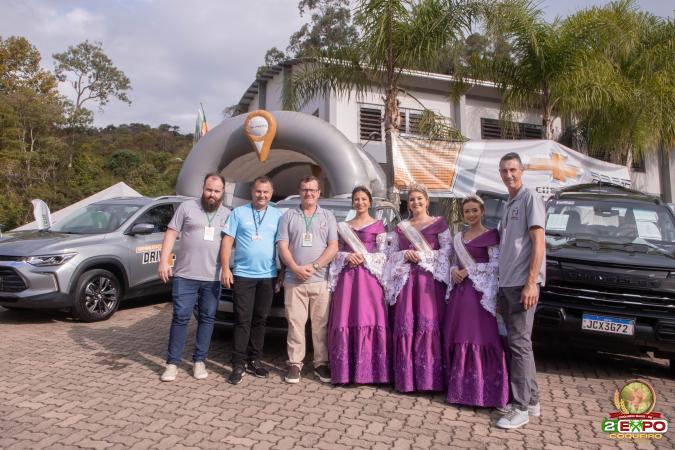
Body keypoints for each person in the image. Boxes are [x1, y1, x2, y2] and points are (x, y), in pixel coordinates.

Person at [158, 173, 230, 382]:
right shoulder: (187, 207)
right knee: (180, 317)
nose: (212, 194)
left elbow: (231, 243)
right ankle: (172, 363)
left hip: (212, 277)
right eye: (209, 190)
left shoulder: (228, 214)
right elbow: (171, 233)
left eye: (216, 191)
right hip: (185, 275)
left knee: (207, 318)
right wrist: (164, 261)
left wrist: (227, 268)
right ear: (203, 188)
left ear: (222, 192)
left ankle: (199, 361)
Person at [383, 183, 452, 393]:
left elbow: (447, 252)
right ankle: (407, 380)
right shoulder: (401, 227)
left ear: (427, 201)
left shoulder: (439, 224)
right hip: (406, 283)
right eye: (412, 199)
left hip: (429, 284)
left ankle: (429, 380)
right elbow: (391, 254)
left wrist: (422, 256)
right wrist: (404, 254)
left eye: (419, 198)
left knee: (428, 324)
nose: (416, 202)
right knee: (407, 324)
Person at [495, 152, 546, 429]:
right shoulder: (508, 203)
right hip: (507, 284)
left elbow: (538, 243)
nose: (509, 175)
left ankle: (520, 407)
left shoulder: (529, 198)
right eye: (504, 171)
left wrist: (531, 282)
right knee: (520, 343)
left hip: (522, 285)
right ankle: (532, 401)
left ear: (522, 170)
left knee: (519, 345)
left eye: (513, 170)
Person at [443, 195, 509, 408]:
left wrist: (470, 270)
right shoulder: (459, 237)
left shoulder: (491, 236)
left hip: (479, 296)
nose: (470, 214)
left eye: (474, 210)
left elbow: (496, 265)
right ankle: (459, 390)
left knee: (478, 336)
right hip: (459, 294)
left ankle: (484, 392)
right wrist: (454, 270)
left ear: (482, 211)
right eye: (467, 211)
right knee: (459, 334)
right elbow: (453, 261)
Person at [220, 176, 283, 385]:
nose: (262, 195)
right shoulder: (238, 213)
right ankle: (238, 363)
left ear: (271, 194)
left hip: (268, 276)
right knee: (242, 320)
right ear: (252, 192)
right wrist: (225, 269)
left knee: (260, 320)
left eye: (266, 192)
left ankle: (255, 360)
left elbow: (282, 245)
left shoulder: (278, 215)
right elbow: (227, 241)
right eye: (258, 191)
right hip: (243, 275)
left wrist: (282, 273)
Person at [277, 175, 338, 384]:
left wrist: (315, 266)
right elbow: (282, 246)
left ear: (319, 193)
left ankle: (321, 363)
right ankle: (295, 363)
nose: (308, 193)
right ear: (299, 192)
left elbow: (333, 246)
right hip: (294, 280)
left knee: (320, 325)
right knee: (295, 324)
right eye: (305, 189)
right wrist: (295, 268)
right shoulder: (288, 216)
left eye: (312, 190)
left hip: (321, 280)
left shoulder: (328, 216)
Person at [326, 186, 390, 384]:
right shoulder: (342, 226)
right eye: (356, 199)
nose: (360, 202)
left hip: (369, 280)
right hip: (347, 280)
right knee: (345, 317)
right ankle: (344, 372)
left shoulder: (378, 226)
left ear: (370, 202)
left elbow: (384, 254)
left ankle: (371, 372)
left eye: (363, 199)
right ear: (352, 202)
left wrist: (365, 258)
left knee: (367, 317)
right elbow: (335, 252)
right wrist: (346, 257)